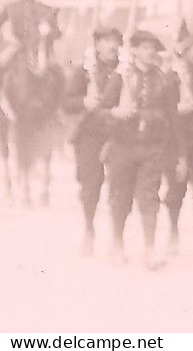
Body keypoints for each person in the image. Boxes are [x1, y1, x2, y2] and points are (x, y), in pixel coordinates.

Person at [105, 30, 179, 269]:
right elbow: (100, 111)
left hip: (152, 148)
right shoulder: (120, 78)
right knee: (120, 197)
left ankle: (149, 250)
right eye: (144, 48)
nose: (150, 53)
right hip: (122, 147)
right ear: (134, 50)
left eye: (152, 49)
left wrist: (178, 154)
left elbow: (173, 117)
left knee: (150, 198)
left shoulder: (164, 80)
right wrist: (115, 113)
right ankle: (117, 244)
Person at [65, 26, 124, 256]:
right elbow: (66, 103)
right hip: (89, 135)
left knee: (120, 186)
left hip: (118, 133)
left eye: (115, 41)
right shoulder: (84, 72)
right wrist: (83, 102)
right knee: (90, 186)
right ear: (97, 45)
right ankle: (89, 229)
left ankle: (117, 237)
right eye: (106, 41)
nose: (112, 46)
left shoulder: (126, 71)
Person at [0, 0, 61, 70]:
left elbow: (57, 33)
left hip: (39, 51)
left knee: (56, 73)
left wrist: (48, 31)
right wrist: (7, 37)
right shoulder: (10, 8)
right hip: (16, 48)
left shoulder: (46, 9)